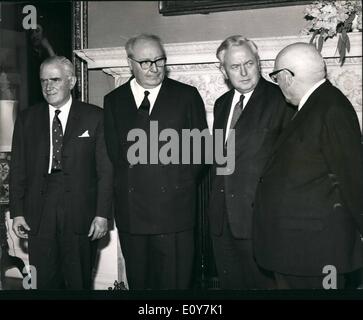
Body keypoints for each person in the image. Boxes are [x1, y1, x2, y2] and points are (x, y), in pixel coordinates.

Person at [253, 42, 363, 289]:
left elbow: (353, 178)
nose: (277, 84)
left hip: (319, 253)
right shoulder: (315, 105)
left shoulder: (332, 108)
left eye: (276, 77)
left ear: (287, 76)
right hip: (299, 250)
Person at [104, 34, 208, 290]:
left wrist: (176, 184)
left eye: (159, 60)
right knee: (140, 284)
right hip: (132, 214)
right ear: (130, 63)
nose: (154, 68)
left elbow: (202, 150)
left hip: (174, 214)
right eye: (145, 62)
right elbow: (114, 155)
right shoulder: (114, 101)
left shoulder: (186, 95)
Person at [10, 56, 113, 290]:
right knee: (44, 281)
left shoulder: (95, 117)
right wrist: (17, 212)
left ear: (72, 81)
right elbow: (18, 169)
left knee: (78, 281)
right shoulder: (27, 119)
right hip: (38, 212)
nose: (49, 86)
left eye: (55, 79)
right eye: (44, 81)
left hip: (80, 213)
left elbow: (106, 171)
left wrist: (102, 214)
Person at [208, 35, 294, 289]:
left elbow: (290, 165)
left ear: (259, 62)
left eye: (249, 64)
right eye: (235, 67)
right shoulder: (221, 104)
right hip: (222, 221)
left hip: (259, 221)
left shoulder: (281, 99)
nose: (244, 72)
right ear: (223, 71)